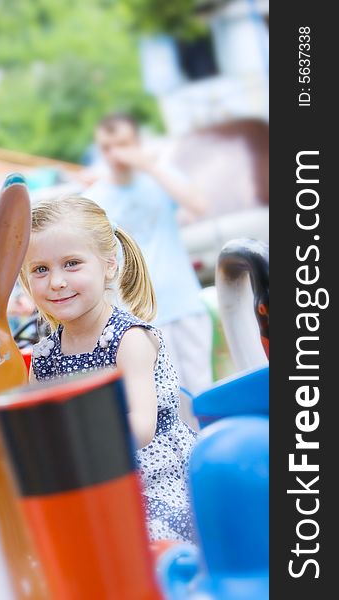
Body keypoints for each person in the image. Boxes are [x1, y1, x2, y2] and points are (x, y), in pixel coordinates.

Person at [20, 196, 197, 542]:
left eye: (71, 264)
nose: (56, 281)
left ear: (109, 266)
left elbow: (142, 428)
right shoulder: (44, 355)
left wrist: (71, 444)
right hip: (86, 481)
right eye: (40, 269)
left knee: (142, 538)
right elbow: (36, 425)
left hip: (154, 477)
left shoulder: (127, 339)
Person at [84, 113, 213, 427]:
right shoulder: (94, 200)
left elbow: (198, 206)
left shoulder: (159, 178)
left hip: (185, 303)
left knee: (202, 390)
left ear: (137, 144)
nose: (116, 154)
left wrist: (150, 165)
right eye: (107, 147)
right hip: (140, 314)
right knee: (166, 399)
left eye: (123, 144)